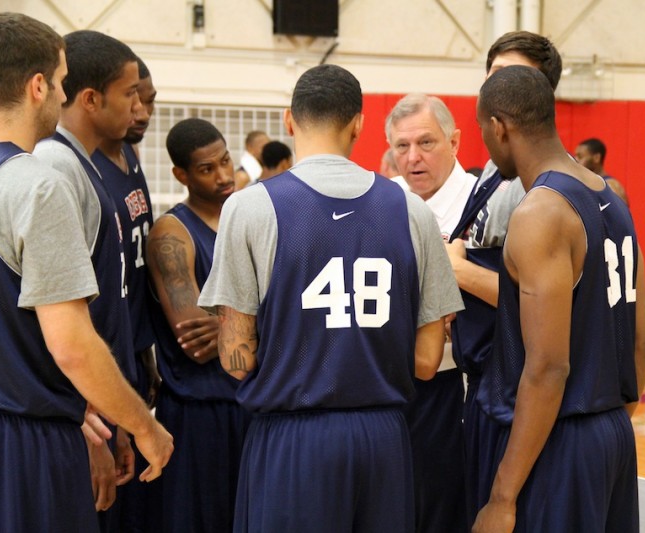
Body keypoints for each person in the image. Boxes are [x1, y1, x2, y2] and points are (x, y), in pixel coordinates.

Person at [198, 64, 463, 532]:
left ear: (289, 121)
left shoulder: (249, 207)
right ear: (359, 124)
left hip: (292, 441)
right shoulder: (411, 211)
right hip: (384, 439)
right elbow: (427, 362)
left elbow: (236, 361)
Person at [0, 13, 172, 532]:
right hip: (24, 437)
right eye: (63, 81)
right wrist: (143, 426)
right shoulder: (36, 184)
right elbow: (71, 344)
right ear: (38, 86)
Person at [472, 65, 645, 532]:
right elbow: (642, 345)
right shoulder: (612, 198)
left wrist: (502, 496)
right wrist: (602, 425)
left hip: (555, 439)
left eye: (484, 133)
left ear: (499, 126)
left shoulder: (541, 212)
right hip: (611, 433)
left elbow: (548, 367)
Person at [442, 30, 563, 527]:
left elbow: (534, 305)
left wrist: (458, 271)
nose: (500, 86)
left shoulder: (540, 191)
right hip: (484, 383)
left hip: (514, 386)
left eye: (515, 77)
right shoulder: (496, 173)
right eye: (493, 75)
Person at [33, 29, 150, 527]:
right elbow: (59, 322)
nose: (138, 107)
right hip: (74, 411)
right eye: (130, 94)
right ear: (89, 98)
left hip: (103, 399)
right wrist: (92, 423)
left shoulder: (91, 164)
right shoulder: (55, 167)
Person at [145, 117, 247, 532]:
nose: (223, 175)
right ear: (181, 175)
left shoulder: (243, 220)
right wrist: (263, 317)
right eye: (208, 169)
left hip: (246, 402)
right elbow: (196, 339)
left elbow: (225, 333)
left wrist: (228, 323)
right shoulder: (172, 232)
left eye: (225, 161)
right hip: (196, 413)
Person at [386, 92, 477, 533]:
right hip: (390, 384)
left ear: (455, 142)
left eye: (427, 143)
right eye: (402, 147)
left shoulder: (484, 203)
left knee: (442, 509)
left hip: (456, 386)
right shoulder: (382, 202)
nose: (413, 158)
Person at [91, 55, 159, 532]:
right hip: (95, 362)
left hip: (129, 350)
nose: (141, 111)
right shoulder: (79, 166)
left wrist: (144, 349)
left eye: (149, 99)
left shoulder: (129, 153)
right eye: (133, 98)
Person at [575, 137, 629, 205]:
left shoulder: (610, 187)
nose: (576, 161)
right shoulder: (588, 184)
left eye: (580, 157)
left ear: (596, 158)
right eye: (575, 157)